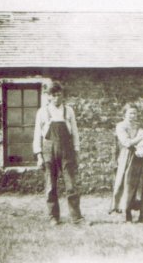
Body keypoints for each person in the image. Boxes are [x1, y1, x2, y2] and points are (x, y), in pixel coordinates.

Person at [33, 82, 85, 226]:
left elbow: (74, 132)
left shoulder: (68, 111)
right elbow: (38, 134)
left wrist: (77, 151)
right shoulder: (42, 112)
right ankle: (53, 217)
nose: (56, 98)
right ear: (49, 97)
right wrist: (38, 155)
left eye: (59, 95)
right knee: (50, 185)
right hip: (48, 149)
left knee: (71, 184)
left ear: (62, 95)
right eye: (53, 95)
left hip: (67, 150)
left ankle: (76, 217)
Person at [108, 107, 143, 223]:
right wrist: (142, 137)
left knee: (142, 185)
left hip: (141, 157)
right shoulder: (121, 126)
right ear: (124, 114)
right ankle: (125, 214)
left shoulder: (138, 126)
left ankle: (142, 215)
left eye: (135, 113)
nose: (133, 115)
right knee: (126, 184)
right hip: (127, 157)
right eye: (130, 113)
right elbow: (127, 143)